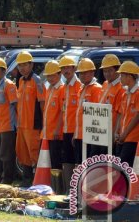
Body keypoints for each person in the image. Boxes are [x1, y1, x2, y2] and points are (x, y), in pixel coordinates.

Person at [16, 51, 45, 186]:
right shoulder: (21, 80)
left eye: (24, 65)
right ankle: (26, 180)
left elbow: (42, 103)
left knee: (34, 153)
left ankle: (36, 181)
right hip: (22, 125)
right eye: (20, 65)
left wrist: (43, 124)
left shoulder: (37, 80)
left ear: (31, 65)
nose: (22, 68)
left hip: (33, 125)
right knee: (23, 154)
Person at [0, 57, 17, 184]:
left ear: (3, 71)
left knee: (5, 155)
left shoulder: (9, 85)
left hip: (8, 126)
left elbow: (15, 105)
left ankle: (7, 179)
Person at [58, 56, 82, 193]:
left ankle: (76, 192)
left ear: (74, 69)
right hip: (66, 130)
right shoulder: (64, 87)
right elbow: (63, 110)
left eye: (68, 67)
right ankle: (68, 190)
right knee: (66, 160)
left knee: (76, 161)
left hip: (76, 131)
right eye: (63, 68)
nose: (65, 70)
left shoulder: (79, 86)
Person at [73, 58, 102, 164]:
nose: (82, 76)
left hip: (90, 136)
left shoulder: (96, 89)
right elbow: (79, 114)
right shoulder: (81, 89)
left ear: (92, 73)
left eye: (85, 73)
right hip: (80, 135)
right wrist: (75, 134)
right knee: (80, 164)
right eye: (81, 73)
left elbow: (97, 115)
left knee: (89, 165)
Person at [98, 54, 125, 155]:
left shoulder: (121, 88)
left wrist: (114, 133)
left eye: (110, 70)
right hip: (100, 131)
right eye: (105, 71)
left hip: (110, 132)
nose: (107, 74)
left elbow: (119, 113)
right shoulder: (105, 84)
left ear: (117, 70)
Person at [41, 61, 64, 170]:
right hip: (47, 132)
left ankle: (57, 185)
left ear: (59, 74)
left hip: (55, 134)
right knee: (48, 162)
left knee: (56, 161)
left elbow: (62, 111)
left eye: (52, 75)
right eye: (48, 76)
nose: (50, 78)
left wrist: (57, 129)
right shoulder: (49, 89)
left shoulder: (62, 89)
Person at [115, 61, 139, 167]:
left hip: (132, 138)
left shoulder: (138, 93)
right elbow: (121, 114)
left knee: (124, 168)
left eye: (122, 75)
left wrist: (124, 134)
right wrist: (117, 132)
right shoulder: (125, 94)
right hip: (123, 137)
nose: (120, 78)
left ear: (129, 76)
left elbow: (137, 116)